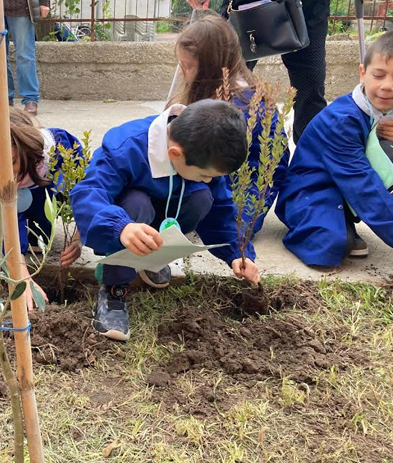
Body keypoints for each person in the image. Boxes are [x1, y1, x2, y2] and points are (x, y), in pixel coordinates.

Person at [71, 100, 261, 341]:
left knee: (203, 197)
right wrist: (120, 227)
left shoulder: (205, 149)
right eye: (204, 175)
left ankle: (154, 257)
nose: (207, 180)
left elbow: (222, 208)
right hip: (128, 220)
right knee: (136, 204)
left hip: (163, 213)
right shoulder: (126, 147)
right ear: (175, 154)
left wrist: (237, 253)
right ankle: (114, 290)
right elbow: (88, 194)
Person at [187, 0, 386, 142]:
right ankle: (209, 152)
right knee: (224, 81)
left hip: (307, 4)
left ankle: (308, 166)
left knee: (310, 90)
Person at [276, 30, 393, 266]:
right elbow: (364, 186)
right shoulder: (342, 121)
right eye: (379, 75)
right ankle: (334, 222)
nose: (387, 86)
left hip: (345, 183)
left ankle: (343, 218)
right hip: (311, 188)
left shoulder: (388, 109)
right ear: (363, 73)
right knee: (329, 245)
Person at [0, 109, 83, 309]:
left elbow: (87, 195)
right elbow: (12, 220)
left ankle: (34, 234)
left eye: (12, 161)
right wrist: (21, 276)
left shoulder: (61, 148)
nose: (6, 172)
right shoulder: (3, 178)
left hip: (46, 202)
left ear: (25, 142)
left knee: (40, 234)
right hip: (18, 207)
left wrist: (78, 238)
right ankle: (26, 236)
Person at [174, 13, 289, 235]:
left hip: (244, 190)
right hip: (226, 182)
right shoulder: (228, 93)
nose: (181, 71)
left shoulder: (238, 108)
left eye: (186, 65)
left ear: (210, 68)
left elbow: (270, 165)